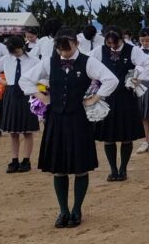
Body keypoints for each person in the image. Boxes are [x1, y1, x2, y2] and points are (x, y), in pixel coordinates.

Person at [19, 28, 118, 228]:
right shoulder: (49, 62)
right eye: (61, 50)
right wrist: (41, 96)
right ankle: (63, 210)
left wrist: (95, 98)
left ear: (76, 44)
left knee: (80, 167)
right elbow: (25, 79)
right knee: (59, 168)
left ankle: (77, 209)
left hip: (78, 120)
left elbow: (111, 79)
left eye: (68, 49)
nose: (64, 53)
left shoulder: (88, 61)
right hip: (56, 120)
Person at [91, 29, 149, 181]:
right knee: (108, 136)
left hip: (126, 97)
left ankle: (123, 169)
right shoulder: (99, 50)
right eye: (108, 43)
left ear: (122, 39)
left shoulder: (132, 50)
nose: (112, 46)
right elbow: (87, 63)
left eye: (115, 43)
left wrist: (139, 78)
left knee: (126, 136)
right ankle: (113, 169)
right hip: (106, 97)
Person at [0, 35, 40, 173]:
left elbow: (44, 75)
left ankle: (26, 160)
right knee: (13, 131)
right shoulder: (5, 59)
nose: (14, 54)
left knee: (28, 131)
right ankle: (14, 160)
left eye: (16, 50)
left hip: (27, 94)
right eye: (11, 51)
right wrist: (5, 83)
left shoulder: (34, 60)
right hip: (11, 94)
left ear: (22, 47)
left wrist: (35, 85)